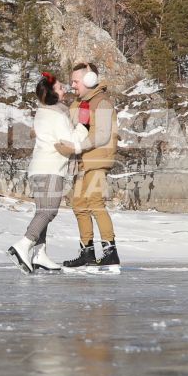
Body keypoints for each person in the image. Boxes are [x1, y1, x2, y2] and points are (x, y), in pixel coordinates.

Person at [9, 72, 87, 273]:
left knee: (42, 211)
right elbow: (70, 143)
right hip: (51, 169)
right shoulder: (57, 115)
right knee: (48, 211)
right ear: (52, 93)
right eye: (60, 88)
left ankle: (40, 253)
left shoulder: (43, 112)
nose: (64, 90)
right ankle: (24, 244)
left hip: (39, 169)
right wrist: (83, 126)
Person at [63, 62, 119, 269]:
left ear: (89, 80)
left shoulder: (102, 102)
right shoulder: (78, 103)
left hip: (97, 159)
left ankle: (110, 251)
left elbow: (102, 134)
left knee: (94, 201)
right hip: (82, 161)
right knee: (79, 204)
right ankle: (87, 251)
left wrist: (77, 145)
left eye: (75, 81)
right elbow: (69, 126)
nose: (73, 85)